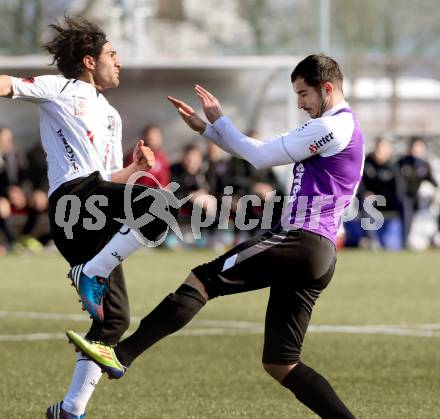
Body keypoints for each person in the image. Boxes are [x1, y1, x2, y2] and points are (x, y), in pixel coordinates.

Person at [68, 54, 363, 418]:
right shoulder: (343, 128)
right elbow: (255, 150)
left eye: (304, 94)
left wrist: (218, 121)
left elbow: (258, 154)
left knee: (203, 279)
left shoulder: (333, 126)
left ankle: (120, 355)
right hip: (318, 254)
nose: (300, 104)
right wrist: (207, 130)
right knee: (281, 362)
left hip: (301, 240)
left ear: (327, 88)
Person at [0, 16, 175, 419]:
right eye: (112, 53)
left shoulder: (111, 115)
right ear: (89, 61)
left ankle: (69, 410)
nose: (119, 61)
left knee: (115, 322)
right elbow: (10, 84)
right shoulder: (60, 89)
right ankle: (90, 273)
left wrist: (133, 170)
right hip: (72, 202)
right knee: (160, 205)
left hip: (96, 208)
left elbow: (109, 176)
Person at [361, 137, 404, 250]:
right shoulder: (365, 162)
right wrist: (365, 192)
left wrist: (387, 197)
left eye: (383, 149)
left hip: (388, 200)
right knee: (367, 202)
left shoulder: (393, 166)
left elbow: (398, 188)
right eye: (378, 148)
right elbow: (358, 183)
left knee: (405, 203)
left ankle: (405, 240)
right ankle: (372, 241)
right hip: (371, 199)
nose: (379, 151)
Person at [397, 137, 438, 246]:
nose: (417, 149)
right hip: (402, 197)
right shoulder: (402, 162)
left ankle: (435, 237)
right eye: (415, 146)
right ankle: (405, 240)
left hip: (416, 198)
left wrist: (436, 193)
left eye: (420, 147)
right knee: (407, 207)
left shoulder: (424, 165)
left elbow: (433, 182)